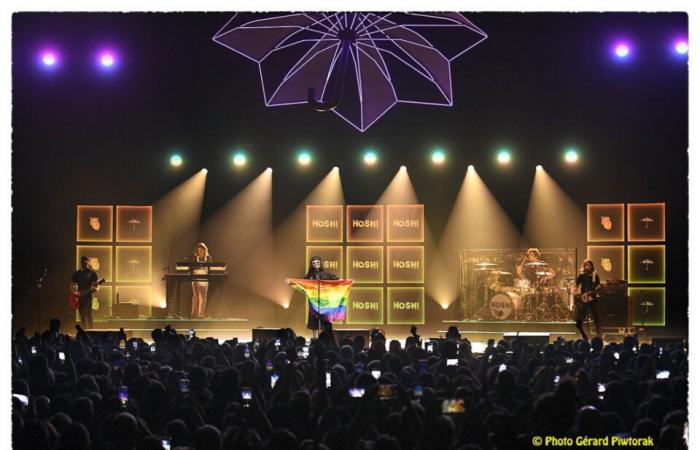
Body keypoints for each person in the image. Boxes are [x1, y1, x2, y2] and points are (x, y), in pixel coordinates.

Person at [289, 256, 338, 334]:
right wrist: (291, 282)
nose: (316, 264)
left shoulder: (327, 274)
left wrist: (344, 281)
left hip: (324, 303)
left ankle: (327, 339)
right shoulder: (309, 276)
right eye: (314, 263)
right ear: (311, 265)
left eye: (317, 262)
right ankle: (314, 340)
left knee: (326, 323)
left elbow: (336, 281)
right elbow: (301, 284)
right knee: (314, 322)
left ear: (320, 263)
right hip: (313, 303)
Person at [574, 259, 601, 341]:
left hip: (592, 298)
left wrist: (594, 290)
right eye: (585, 265)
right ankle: (580, 336)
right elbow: (576, 286)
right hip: (583, 299)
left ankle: (599, 336)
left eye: (588, 265)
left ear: (592, 266)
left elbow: (598, 286)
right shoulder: (581, 275)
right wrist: (577, 296)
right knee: (580, 318)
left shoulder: (595, 275)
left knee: (596, 318)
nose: (586, 266)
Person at [71, 256, 99, 329]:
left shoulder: (92, 273)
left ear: (88, 262)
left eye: (85, 262)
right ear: (81, 263)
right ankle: (85, 330)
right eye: (83, 262)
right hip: (80, 297)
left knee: (88, 314)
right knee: (82, 316)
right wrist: (75, 292)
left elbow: (95, 287)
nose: (84, 263)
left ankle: (91, 331)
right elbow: (72, 283)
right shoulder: (77, 273)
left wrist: (94, 289)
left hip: (88, 297)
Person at [191, 243, 212, 319]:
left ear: (204, 250)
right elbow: (191, 267)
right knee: (195, 296)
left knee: (203, 297)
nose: (200, 251)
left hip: (205, 278)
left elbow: (210, 268)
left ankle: (201, 314)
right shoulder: (194, 258)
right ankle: (193, 314)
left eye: (201, 250)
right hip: (195, 277)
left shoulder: (208, 258)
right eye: (198, 250)